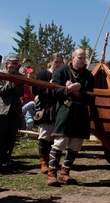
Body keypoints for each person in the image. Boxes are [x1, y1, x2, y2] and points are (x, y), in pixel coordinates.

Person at [47, 48, 95, 185]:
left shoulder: (89, 76)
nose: (82, 60)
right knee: (60, 142)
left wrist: (75, 91)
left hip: (80, 114)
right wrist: (69, 89)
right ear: (73, 58)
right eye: (80, 57)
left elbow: (90, 97)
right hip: (64, 111)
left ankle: (65, 172)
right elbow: (54, 92)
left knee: (75, 144)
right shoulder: (61, 72)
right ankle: (51, 173)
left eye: (84, 58)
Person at [32, 53, 64, 174]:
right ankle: (43, 162)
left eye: (60, 62)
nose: (58, 64)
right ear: (50, 62)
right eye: (56, 62)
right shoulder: (43, 74)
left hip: (58, 109)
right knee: (44, 136)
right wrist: (49, 86)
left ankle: (52, 162)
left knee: (55, 137)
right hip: (45, 108)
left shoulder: (62, 75)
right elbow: (35, 90)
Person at [0, 54, 24, 170]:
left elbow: (20, 93)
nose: (14, 66)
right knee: (0, 136)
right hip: (2, 110)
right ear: (7, 64)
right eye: (12, 63)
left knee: (11, 136)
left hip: (15, 110)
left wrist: (16, 85)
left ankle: (8, 158)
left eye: (16, 63)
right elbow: (1, 92)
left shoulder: (20, 76)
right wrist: (11, 83)